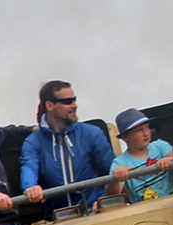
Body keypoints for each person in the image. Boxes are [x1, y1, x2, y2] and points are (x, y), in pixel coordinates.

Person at [20, 80, 120, 216]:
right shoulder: (33, 142)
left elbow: (112, 170)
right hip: (57, 219)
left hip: (95, 212)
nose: (75, 105)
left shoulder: (92, 133)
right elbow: (29, 166)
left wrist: (105, 201)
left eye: (74, 100)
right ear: (50, 105)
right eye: (68, 101)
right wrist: (30, 187)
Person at [110, 108, 173, 202]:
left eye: (147, 127)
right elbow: (113, 194)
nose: (146, 133)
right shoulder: (120, 162)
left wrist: (170, 159)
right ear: (125, 137)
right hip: (142, 211)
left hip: (172, 202)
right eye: (139, 130)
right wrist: (115, 178)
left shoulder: (160, 145)